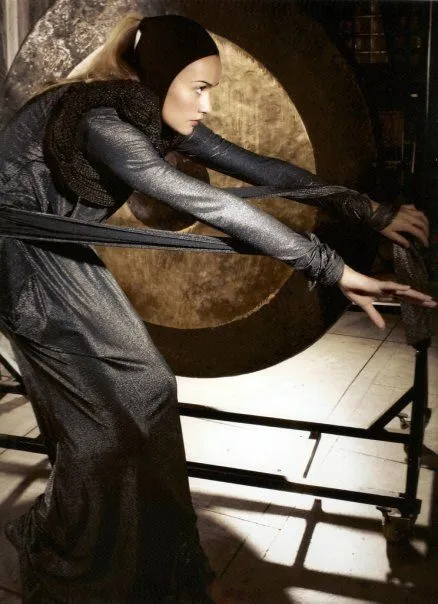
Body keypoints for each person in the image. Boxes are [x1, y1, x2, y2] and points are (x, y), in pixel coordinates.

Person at [0, 13, 435, 604]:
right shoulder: (106, 123)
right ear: (161, 80)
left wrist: (368, 210)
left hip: (58, 249)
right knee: (107, 420)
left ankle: (143, 557)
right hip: (20, 260)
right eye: (199, 87)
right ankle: (73, 559)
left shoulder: (150, 113)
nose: (207, 105)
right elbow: (213, 204)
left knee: (146, 392)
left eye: (212, 89)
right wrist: (333, 269)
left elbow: (263, 170)